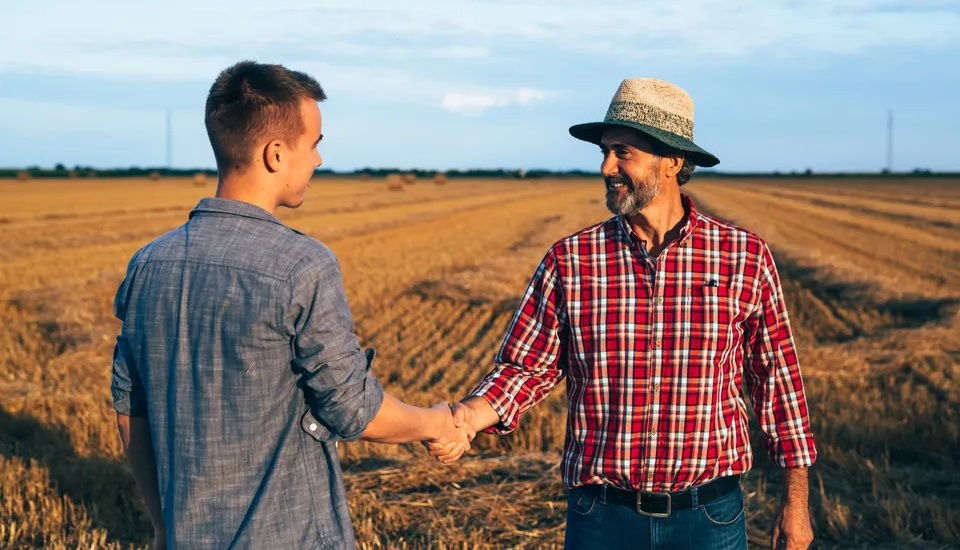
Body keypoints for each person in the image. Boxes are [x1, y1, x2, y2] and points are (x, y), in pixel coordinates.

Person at [427, 78, 817, 549]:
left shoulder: (743, 256)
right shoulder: (571, 259)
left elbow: (778, 386)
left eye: (622, 152)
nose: (606, 166)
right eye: (605, 152)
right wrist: (467, 417)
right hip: (602, 519)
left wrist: (796, 505)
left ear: (672, 161)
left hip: (708, 520)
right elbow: (525, 370)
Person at [111, 60, 469, 550]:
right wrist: (436, 422)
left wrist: (161, 523)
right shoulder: (302, 265)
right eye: (314, 144)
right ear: (276, 154)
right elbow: (353, 410)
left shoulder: (149, 262)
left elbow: (131, 409)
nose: (318, 160)